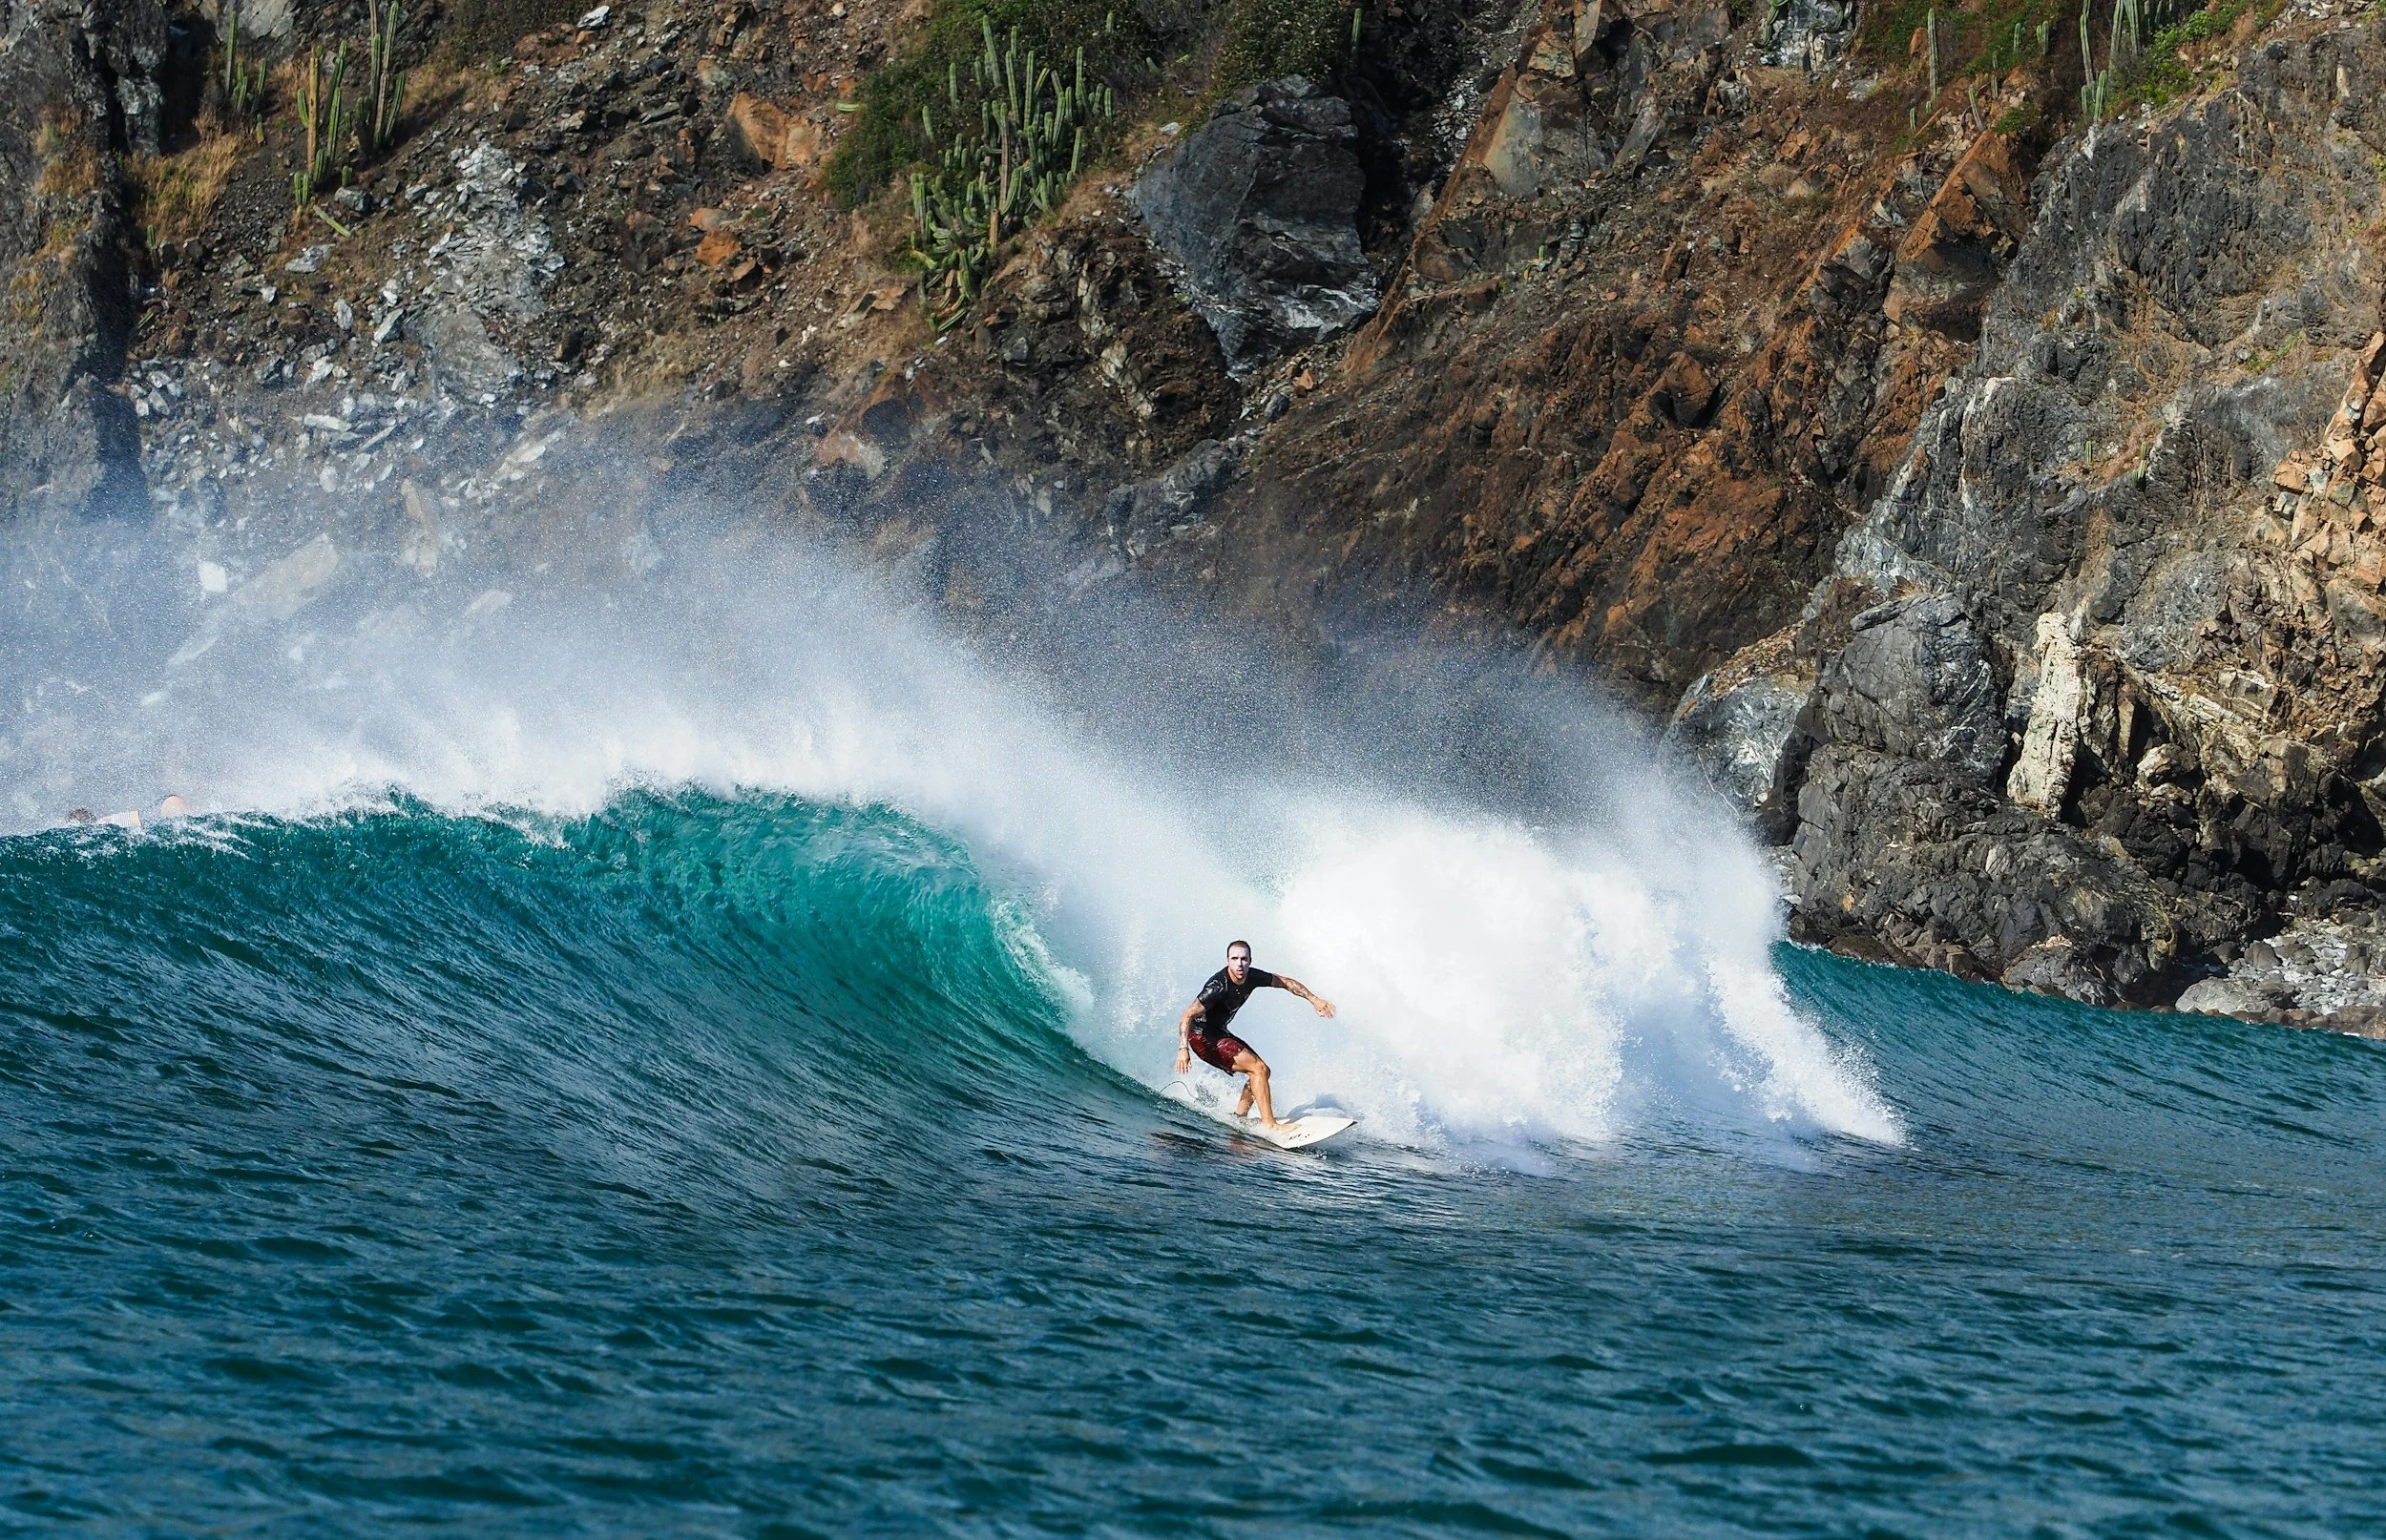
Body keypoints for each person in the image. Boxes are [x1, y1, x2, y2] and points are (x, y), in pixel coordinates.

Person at [1174, 940, 1335, 1130]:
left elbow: (1285, 982)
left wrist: (1314, 999)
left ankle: (1239, 1116)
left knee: (1264, 1072)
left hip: (1219, 1032)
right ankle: (1271, 1125)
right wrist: (1183, 1049)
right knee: (1257, 1068)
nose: (1239, 964)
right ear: (1228, 961)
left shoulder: (1252, 977)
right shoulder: (1217, 986)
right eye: (1234, 959)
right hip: (1202, 1038)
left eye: (1244, 959)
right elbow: (1187, 1015)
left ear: (1250, 961)